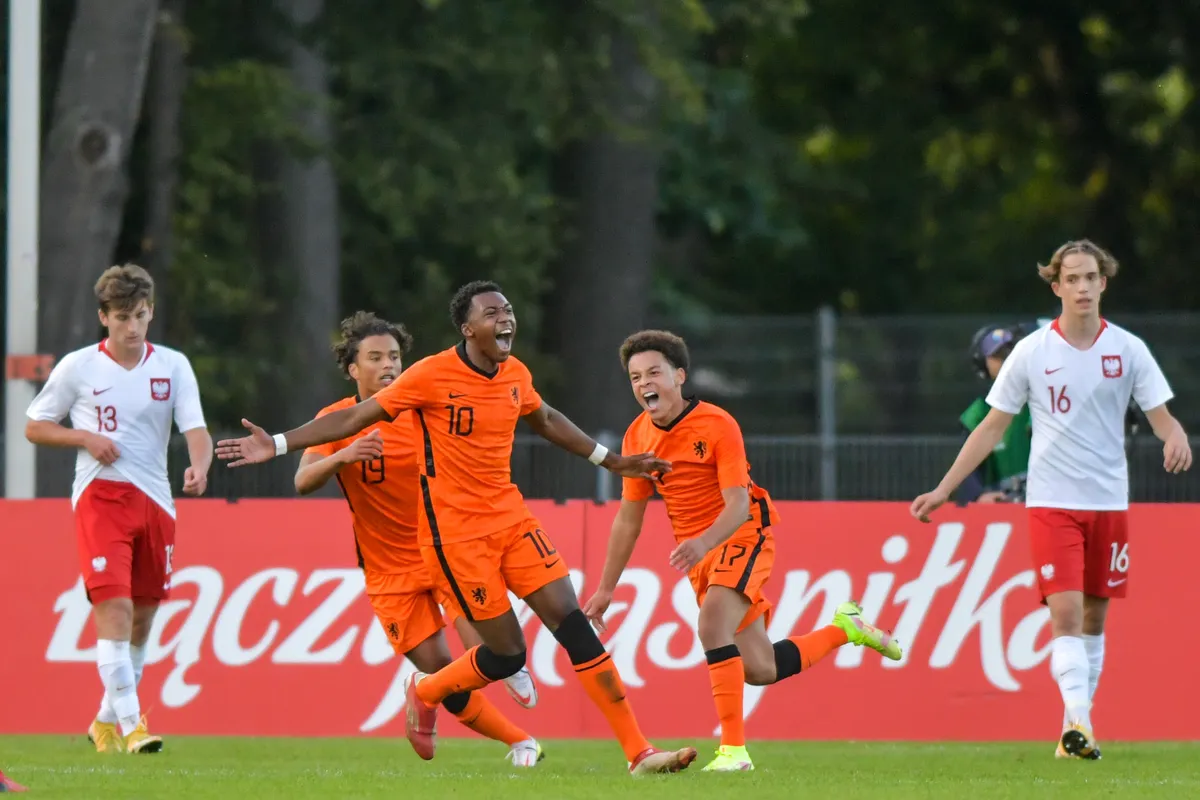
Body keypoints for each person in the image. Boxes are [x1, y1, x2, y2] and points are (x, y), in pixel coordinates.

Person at [217, 281, 698, 776]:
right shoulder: (429, 376)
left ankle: (638, 752)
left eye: (508, 309)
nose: (505, 317)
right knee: (507, 655)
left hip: (511, 519)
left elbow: (547, 418)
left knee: (573, 624)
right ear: (469, 329)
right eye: (492, 312)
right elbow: (354, 417)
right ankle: (427, 690)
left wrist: (613, 461)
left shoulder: (515, 372)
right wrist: (277, 444)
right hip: (455, 538)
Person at [910, 240, 1192, 760]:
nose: (1083, 287)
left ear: (1103, 283)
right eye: (1073, 279)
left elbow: (1161, 415)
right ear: (1056, 285)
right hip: (1051, 502)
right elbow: (991, 426)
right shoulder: (1033, 352)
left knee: (1094, 619)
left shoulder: (1128, 349)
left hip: (1108, 502)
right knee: (1063, 613)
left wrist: (1175, 435)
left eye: (1091, 278)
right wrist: (945, 488)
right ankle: (1081, 723)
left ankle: (1071, 729)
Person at [582, 330, 902, 772]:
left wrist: (701, 543)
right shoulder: (637, 438)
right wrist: (605, 588)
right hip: (701, 552)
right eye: (635, 377)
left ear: (678, 376)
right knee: (760, 668)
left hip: (743, 533)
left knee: (712, 624)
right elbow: (628, 519)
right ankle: (845, 630)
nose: (644, 384)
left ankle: (734, 752)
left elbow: (736, 505)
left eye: (653, 372)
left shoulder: (717, 424)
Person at [293, 311, 542, 766]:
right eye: (375, 357)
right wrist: (343, 456)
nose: (389, 364)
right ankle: (519, 741)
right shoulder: (335, 421)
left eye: (394, 356)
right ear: (353, 369)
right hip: (388, 571)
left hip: (445, 551)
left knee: (487, 656)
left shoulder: (422, 408)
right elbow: (303, 479)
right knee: (438, 671)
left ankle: (513, 662)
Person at [25, 264, 213, 754]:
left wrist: (199, 466)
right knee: (114, 604)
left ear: (151, 314)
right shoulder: (79, 366)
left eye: (142, 315)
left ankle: (104, 722)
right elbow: (36, 425)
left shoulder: (172, 365)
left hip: (156, 501)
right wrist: (83, 436)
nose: (133, 327)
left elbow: (195, 428)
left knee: (143, 618)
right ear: (104, 318)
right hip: (100, 495)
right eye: (124, 317)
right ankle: (133, 727)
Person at [955, 324, 1032, 504]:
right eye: (998, 356)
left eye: (1010, 353)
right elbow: (967, 470)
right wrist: (978, 496)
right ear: (982, 363)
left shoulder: (1040, 399)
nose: (1006, 360)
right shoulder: (977, 414)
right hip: (1004, 502)